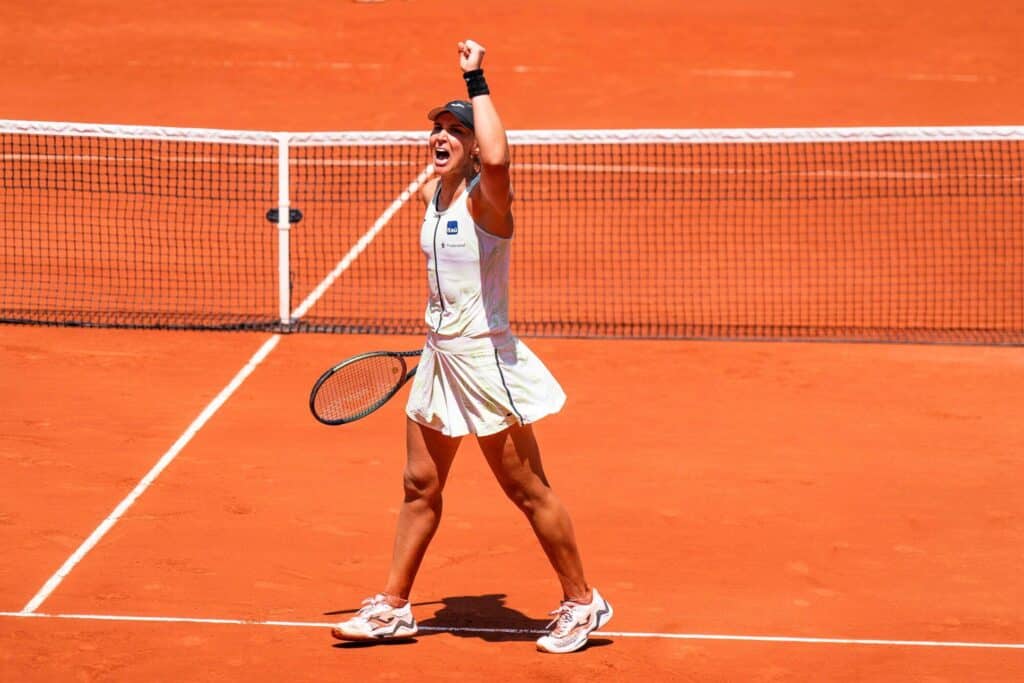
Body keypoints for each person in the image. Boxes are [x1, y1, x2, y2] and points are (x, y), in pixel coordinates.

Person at [330, 39, 612, 655]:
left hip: (486, 363)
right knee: (418, 484)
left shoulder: (489, 202)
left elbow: (502, 157)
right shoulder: (434, 197)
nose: (439, 135)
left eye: (453, 130)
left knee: (527, 489)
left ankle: (582, 602)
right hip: (441, 358)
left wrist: (475, 79)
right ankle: (395, 608)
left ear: (473, 146)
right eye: (436, 127)